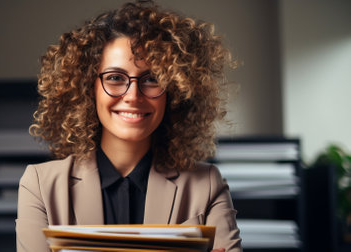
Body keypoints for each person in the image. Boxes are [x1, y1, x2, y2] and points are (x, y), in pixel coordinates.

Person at [16, 1, 242, 251]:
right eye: (115, 78)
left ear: (175, 91)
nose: (133, 96)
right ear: (87, 88)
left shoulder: (207, 184)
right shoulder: (39, 185)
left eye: (152, 79)